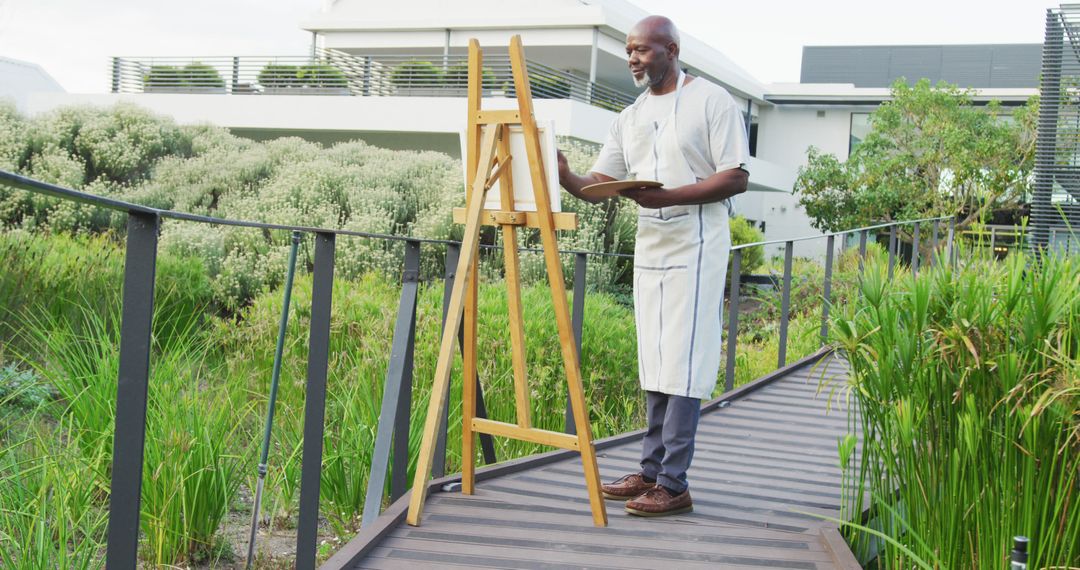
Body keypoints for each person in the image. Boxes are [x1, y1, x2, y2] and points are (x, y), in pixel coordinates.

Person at [556, 15, 749, 517]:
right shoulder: (632, 115)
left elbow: (735, 178)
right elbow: (600, 182)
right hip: (652, 245)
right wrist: (563, 175)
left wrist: (667, 196)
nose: (633, 59)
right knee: (656, 357)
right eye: (629, 51)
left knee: (685, 361)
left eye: (641, 50)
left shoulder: (712, 100)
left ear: (671, 49)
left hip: (697, 242)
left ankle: (674, 482)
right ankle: (648, 470)